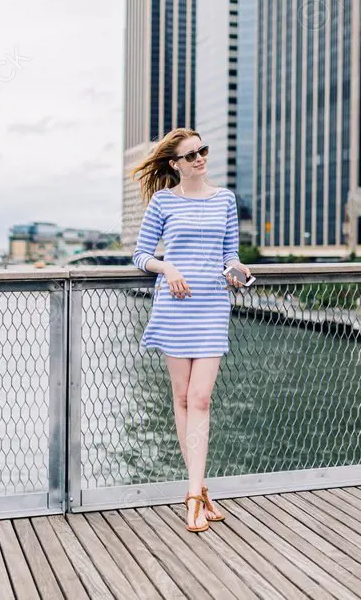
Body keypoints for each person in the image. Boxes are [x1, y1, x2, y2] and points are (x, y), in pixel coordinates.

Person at [129, 127, 254, 533]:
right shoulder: (164, 202)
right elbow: (141, 255)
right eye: (191, 154)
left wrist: (236, 271)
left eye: (203, 150)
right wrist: (166, 266)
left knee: (200, 398)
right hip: (175, 305)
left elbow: (229, 254)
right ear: (175, 164)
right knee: (182, 398)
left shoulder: (225, 200)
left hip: (212, 306)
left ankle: (192, 493)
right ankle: (200, 490)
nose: (200, 158)